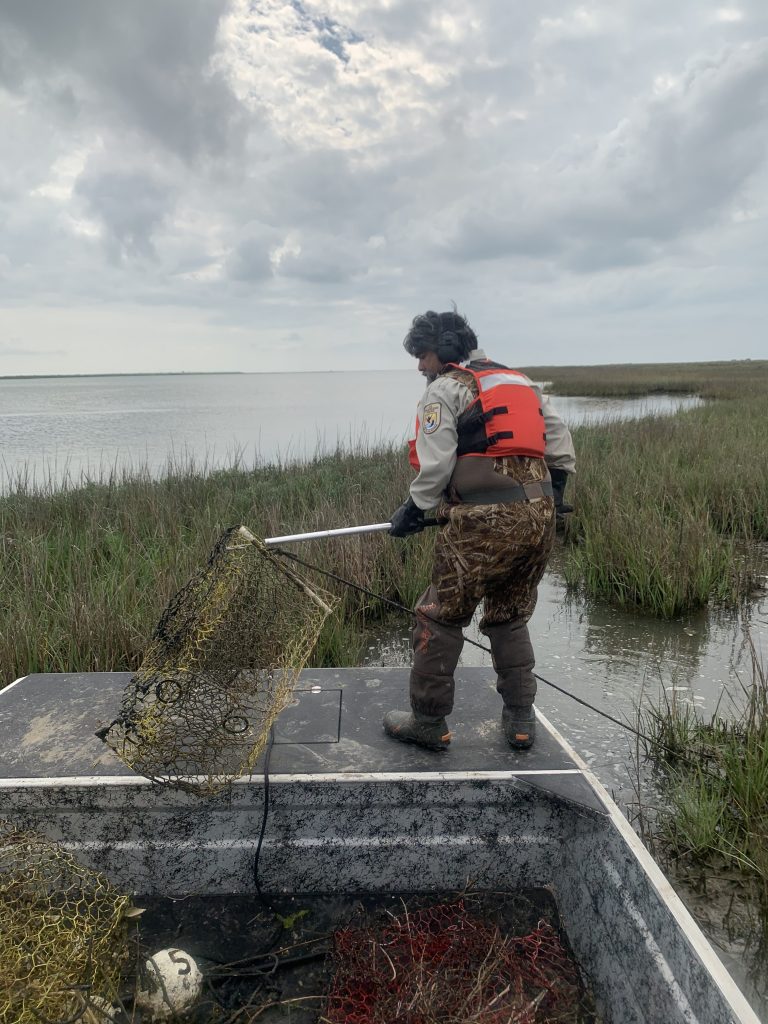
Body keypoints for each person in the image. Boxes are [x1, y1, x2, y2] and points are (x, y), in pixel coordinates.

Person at [384, 309, 576, 752]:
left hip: (481, 523)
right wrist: (558, 485)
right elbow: (559, 440)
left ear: (445, 352)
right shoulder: (519, 382)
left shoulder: (444, 389)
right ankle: (521, 721)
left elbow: (435, 465)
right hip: (540, 515)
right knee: (509, 615)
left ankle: (429, 722)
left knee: (440, 614)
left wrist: (413, 509)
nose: (420, 366)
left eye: (424, 355)